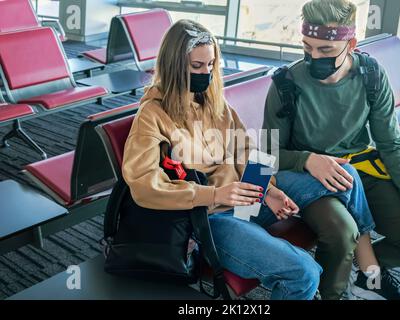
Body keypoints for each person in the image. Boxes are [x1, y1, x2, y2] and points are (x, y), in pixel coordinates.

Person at [121, 19, 323, 300]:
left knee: (335, 181)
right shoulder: (152, 116)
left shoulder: (214, 105)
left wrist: (267, 190)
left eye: (211, 64)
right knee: (304, 273)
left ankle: (358, 258)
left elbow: (247, 152)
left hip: (242, 200)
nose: (206, 73)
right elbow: (144, 186)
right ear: (175, 66)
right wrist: (213, 193)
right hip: (209, 218)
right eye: (197, 66)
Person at [263, 0, 400, 300]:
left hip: (361, 170)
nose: (313, 57)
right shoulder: (287, 83)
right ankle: (332, 291)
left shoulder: (371, 76)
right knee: (343, 235)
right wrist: (308, 160)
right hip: (311, 179)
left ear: (351, 44)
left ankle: (367, 278)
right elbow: (265, 153)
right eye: (307, 47)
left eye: (326, 50)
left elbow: (391, 142)